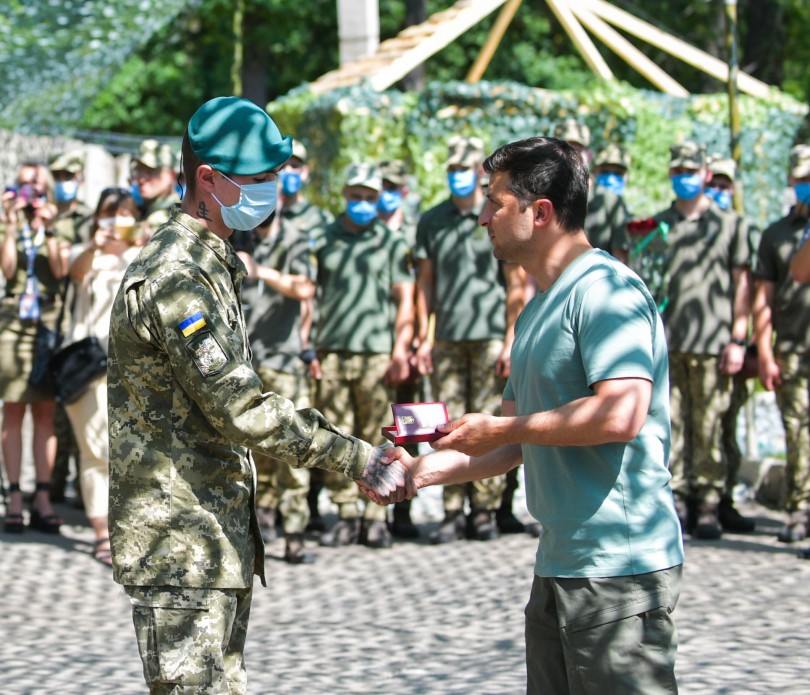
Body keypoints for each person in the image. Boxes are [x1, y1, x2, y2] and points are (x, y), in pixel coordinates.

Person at [107, 96, 412, 693]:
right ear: (207, 180)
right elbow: (242, 408)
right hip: (181, 540)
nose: (273, 187)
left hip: (208, 536)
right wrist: (358, 458)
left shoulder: (209, 261)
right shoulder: (176, 276)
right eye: (259, 178)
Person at [371, 136, 684, 694]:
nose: (483, 217)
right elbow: (513, 446)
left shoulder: (607, 292)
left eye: (496, 203)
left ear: (539, 213)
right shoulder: (539, 307)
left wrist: (504, 427)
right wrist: (419, 471)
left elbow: (621, 415)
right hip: (559, 564)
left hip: (619, 567)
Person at [414, 135, 526, 543]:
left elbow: (516, 284)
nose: (458, 176)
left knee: (486, 421)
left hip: (488, 338)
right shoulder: (432, 220)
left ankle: (484, 509)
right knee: (446, 425)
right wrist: (423, 339)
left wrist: (511, 339)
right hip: (446, 337)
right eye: (452, 169)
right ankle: (452, 509)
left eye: (465, 169)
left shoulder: (493, 217)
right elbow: (425, 284)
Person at [308, 162, 415, 550]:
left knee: (376, 437)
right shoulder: (323, 239)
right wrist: (311, 349)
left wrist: (401, 348)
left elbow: (405, 300)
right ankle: (346, 513)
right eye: (356, 196)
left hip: (377, 353)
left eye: (370, 198)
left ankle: (375, 516)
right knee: (337, 435)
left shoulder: (391, 243)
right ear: (344, 195)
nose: (363, 203)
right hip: (332, 350)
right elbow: (310, 297)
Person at [653, 141, 752, 539]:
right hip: (669, 343)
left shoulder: (731, 225)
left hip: (713, 342)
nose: (684, 178)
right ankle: (675, 497)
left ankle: (708, 501)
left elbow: (741, 283)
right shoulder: (658, 226)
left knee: (710, 424)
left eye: (691, 172)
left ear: (706, 173)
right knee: (671, 423)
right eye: (678, 172)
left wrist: (737, 339)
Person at [63, 187, 143, 564]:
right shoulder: (85, 254)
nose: (116, 223)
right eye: (109, 214)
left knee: (132, 452)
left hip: (133, 366)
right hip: (89, 363)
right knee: (96, 450)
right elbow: (72, 271)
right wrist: (95, 246)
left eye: (124, 214)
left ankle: (132, 528)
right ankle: (101, 532)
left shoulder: (142, 256)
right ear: (97, 219)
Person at [239, 210, 319, 564]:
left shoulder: (294, 239)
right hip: (246, 362)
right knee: (252, 452)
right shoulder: (238, 234)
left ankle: (295, 534)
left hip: (284, 362)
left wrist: (261, 271)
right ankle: (258, 523)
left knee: (294, 446)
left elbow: (304, 288)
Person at [0, 162, 69, 534]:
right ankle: (14, 496)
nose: (30, 194)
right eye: (23, 185)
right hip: (12, 324)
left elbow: (60, 271)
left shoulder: (61, 222)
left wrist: (51, 227)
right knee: (13, 410)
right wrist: (11, 225)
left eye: (36, 187)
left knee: (45, 413)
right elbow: (8, 270)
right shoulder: (6, 222)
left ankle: (41, 497)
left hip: (48, 323)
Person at [753, 143, 810, 544]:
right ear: (791, 181)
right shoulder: (776, 234)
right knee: (797, 431)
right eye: (802, 179)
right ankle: (800, 510)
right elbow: (764, 299)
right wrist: (766, 352)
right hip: (793, 347)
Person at [706, 155, 759, 532]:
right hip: (692, 342)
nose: (718, 191)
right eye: (715, 183)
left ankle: (721, 499)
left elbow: (749, 288)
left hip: (728, 343)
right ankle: (696, 500)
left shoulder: (741, 228)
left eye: (726, 185)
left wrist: (741, 339)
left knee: (723, 425)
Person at [378, 158, 421, 539]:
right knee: (378, 425)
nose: (386, 195)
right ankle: (377, 501)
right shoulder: (369, 234)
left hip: (409, 343)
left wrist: (415, 341)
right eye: (382, 188)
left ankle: (405, 506)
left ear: (404, 193)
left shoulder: (413, 233)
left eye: (393, 188)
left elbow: (421, 291)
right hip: (378, 341)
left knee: (407, 427)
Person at [47, 148, 92, 505]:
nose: (63, 183)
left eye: (68, 177)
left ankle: (79, 486)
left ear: (79, 179)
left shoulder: (86, 220)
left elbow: (67, 269)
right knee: (54, 410)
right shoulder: (45, 214)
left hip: (75, 323)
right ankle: (53, 485)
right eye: (57, 177)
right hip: (48, 323)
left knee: (77, 405)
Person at [586, 143, 632, 263]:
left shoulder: (622, 207)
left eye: (618, 173)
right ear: (594, 171)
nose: (611, 177)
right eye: (605, 171)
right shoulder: (580, 203)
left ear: (626, 176)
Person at [129, 138, 180, 234]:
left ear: (171, 175)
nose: (142, 179)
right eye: (139, 170)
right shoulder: (143, 210)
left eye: (151, 171)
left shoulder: (170, 218)